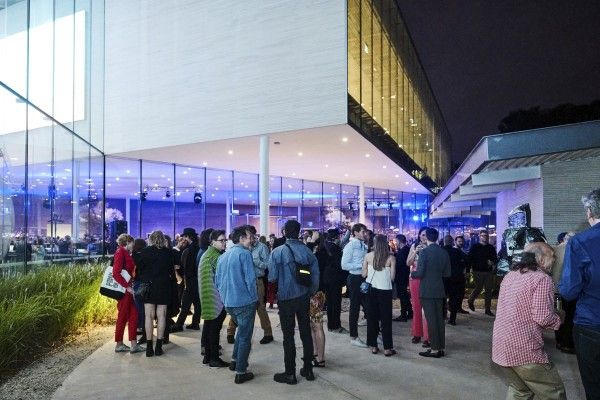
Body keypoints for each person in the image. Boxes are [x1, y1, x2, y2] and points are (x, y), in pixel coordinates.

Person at [493, 243, 566, 400]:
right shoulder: (542, 279)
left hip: (501, 348)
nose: (554, 260)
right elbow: (543, 317)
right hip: (524, 352)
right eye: (552, 256)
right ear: (540, 259)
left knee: (521, 391)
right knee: (554, 392)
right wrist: (559, 318)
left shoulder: (511, 275)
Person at [559, 188, 600, 400]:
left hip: (592, 324)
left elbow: (569, 290)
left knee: (594, 387)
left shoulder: (581, 242)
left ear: (589, 211)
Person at [268, 220, 320, 385]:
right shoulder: (307, 251)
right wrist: (311, 291)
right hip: (304, 296)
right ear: (299, 233)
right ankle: (308, 370)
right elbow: (315, 274)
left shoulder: (277, 252)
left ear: (284, 232)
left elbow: (272, 277)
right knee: (305, 332)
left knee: (288, 336)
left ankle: (290, 373)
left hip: (286, 298)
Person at [215, 225, 257, 384]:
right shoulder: (244, 254)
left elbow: (217, 281)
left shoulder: (223, 256)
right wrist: (254, 298)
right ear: (241, 238)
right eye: (249, 237)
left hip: (229, 302)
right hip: (245, 302)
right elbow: (250, 280)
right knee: (246, 336)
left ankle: (234, 361)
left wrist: (225, 297)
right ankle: (241, 371)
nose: (251, 239)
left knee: (241, 332)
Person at [227, 225, 273, 345]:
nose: (249, 239)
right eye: (247, 236)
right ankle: (230, 332)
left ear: (253, 236)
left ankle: (268, 333)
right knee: (239, 305)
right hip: (241, 281)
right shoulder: (239, 248)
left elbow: (268, 264)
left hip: (257, 281)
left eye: (251, 236)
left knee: (260, 307)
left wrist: (255, 261)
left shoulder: (262, 247)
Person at [136, 230, 176, 357]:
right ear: (163, 239)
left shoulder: (145, 252)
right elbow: (171, 271)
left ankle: (149, 347)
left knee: (148, 316)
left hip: (149, 286)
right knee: (162, 316)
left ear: (151, 239)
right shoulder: (168, 253)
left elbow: (139, 270)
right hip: (164, 286)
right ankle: (159, 347)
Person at [412, 228, 450, 358]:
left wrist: (413, 273)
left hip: (427, 290)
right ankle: (440, 347)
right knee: (439, 320)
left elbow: (420, 273)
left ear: (427, 237)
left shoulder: (425, 252)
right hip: (439, 289)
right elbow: (447, 273)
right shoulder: (443, 252)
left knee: (431, 320)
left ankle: (434, 349)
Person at [362, 234, 396, 356]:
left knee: (372, 318)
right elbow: (392, 277)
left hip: (371, 290)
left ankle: (373, 346)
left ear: (374, 243)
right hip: (385, 290)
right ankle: (387, 348)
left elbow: (363, 274)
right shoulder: (391, 258)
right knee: (386, 319)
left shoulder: (368, 256)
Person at [199, 230, 229, 368]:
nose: (224, 243)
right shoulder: (215, 256)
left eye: (225, 240)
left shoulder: (208, 253)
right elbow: (223, 277)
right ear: (212, 242)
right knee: (214, 329)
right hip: (214, 297)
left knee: (210, 326)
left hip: (207, 296)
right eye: (221, 240)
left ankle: (208, 356)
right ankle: (214, 359)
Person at [112, 234, 144, 354]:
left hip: (127, 290)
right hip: (125, 291)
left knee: (133, 316)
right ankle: (120, 344)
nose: (133, 245)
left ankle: (132, 344)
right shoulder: (121, 252)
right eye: (132, 242)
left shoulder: (123, 252)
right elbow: (115, 273)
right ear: (128, 242)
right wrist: (127, 287)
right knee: (123, 317)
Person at [341, 223, 369, 348]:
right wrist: (362, 266)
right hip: (354, 278)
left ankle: (374, 334)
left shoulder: (364, 246)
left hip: (364, 278)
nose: (365, 233)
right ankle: (354, 336)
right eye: (363, 231)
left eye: (365, 231)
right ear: (356, 232)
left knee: (369, 307)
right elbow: (344, 265)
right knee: (355, 308)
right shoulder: (350, 246)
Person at [551, 231, 576, 354]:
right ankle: (567, 344)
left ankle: (559, 341)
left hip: (555, 291)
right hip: (569, 291)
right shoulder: (575, 251)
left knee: (558, 315)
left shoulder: (554, 250)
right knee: (570, 317)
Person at [172, 228, 201, 332]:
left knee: (185, 303)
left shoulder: (190, 250)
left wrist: (185, 281)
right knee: (197, 302)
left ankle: (179, 324)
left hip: (190, 280)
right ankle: (195, 323)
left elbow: (188, 268)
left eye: (185, 236)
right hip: (197, 279)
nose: (184, 238)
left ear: (188, 237)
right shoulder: (198, 247)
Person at [407, 227, 430, 346]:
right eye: (422, 235)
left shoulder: (432, 247)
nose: (423, 237)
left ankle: (428, 337)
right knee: (416, 306)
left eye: (426, 235)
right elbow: (408, 263)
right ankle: (417, 333)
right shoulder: (414, 246)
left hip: (427, 278)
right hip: (415, 278)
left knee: (427, 309)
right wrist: (415, 251)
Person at [468, 230, 498, 316]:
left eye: (486, 236)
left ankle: (487, 309)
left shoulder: (491, 247)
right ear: (479, 236)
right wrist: (468, 269)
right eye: (483, 235)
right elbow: (470, 258)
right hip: (477, 270)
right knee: (479, 288)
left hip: (488, 271)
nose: (484, 237)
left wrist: (492, 262)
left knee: (488, 290)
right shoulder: (475, 247)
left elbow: (495, 259)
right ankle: (471, 300)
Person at [323, 228, 348, 333]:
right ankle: (336, 326)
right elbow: (340, 265)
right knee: (336, 303)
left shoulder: (325, 246)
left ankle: (331, 325)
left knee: (330, 303)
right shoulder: (335, 248)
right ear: (336, 237)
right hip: (335, 279)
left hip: (327, 279)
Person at [442, 235, 469, 325]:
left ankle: (443, 315)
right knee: (454, 299)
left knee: (443, 298)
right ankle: (452, 319)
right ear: (453, 241)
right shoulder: (457, 251)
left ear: (444, 242)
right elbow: (467, 260)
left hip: (443, 278)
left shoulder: (441, 251)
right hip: (456, 278)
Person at [310, 237, 328, 367]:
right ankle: (317, 353)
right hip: (320, 293)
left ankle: (320, 357)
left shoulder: (314, 258)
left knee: (317, 327)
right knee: (315, 326)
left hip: (314, 294)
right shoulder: (326, 255)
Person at [393, 234, 412, 322]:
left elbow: (399, 265)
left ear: (399, 241)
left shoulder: (402, 251)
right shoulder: (407, 249)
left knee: (402, 296)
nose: (395, 243)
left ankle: (403, 314)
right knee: (405, 295)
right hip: (405, 275)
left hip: (401, 276)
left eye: (396, 241)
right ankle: (410, 312)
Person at [131, 238, 148, 344]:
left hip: (137, 282)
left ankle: (139, 327)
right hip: (146, 283)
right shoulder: (146, 255)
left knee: (138, 306)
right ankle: (144, 327)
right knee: (145, 306)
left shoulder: (133, 256)